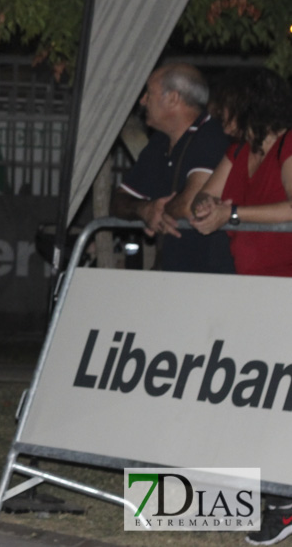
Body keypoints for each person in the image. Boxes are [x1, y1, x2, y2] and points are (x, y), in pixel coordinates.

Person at [188, 67, 292, 546]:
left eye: (224, 103)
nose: (215, 112)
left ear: (249, 103)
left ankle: (284, 504)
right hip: (251, 292)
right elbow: (206, 200)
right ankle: (251, 496)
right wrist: (206, 210)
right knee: (257, 400)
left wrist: (233, 213)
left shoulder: (287, 145)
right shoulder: (237, 151)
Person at [110, 63, 234, 272]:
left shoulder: (212, 135)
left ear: (174, 98)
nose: (142, 101)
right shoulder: (159, 142)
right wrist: (145, 210)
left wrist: (156, 211)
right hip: (172, 273)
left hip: (211, 276)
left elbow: (191, 204)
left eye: (148, 93)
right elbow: (117, 202)